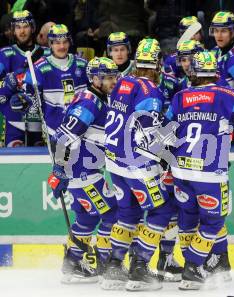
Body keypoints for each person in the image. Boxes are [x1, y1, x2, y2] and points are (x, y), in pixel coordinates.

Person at [165, 50, 234, 290]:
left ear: (194, 73)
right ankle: (193, 267)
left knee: (188, 219)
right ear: (216, 72)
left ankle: (213, 263)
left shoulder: (180, 96)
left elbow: (165, 133)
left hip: (180, 171)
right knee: (212, 222)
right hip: (210, 173)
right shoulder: (229, 95)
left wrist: (163, 160)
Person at [101, 38, 176, 291]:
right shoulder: (150, 91)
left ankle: (113, 267)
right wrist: (168, 155)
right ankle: (140, 268)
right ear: (157, 64)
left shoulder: (123, 81)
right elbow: (148, 134)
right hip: (137, 165)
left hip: (113, 161)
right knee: (161, 211)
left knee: (128, 214)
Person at [47, 57, 120, 283]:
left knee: (87, 217)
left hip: (86, 172)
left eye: (114, 76)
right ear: (95, 79)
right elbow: (63, 137)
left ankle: (72, 264)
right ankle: (107, 265)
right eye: (108, 77)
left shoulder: (97, 99)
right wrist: (59, 168)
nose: (113, 81)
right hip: (84, 174)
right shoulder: (90, 102)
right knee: (111, 214)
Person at [12, 24, 88, 147]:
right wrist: (21, 101)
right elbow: (29, 100)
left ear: (70, 42)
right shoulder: (39, 67)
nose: (62, 46)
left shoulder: (83, 65)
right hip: (54, 131)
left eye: (65, 42)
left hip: (82, 129)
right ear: (50, 44)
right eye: (57, 42)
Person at [0, 10, 50, 147]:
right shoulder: (5, 54)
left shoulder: (46, 53)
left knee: (43, 156)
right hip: (14, 119)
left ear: (33, 28)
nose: (22, 31)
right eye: (18, 27)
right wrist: (8, 84)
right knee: (14, 154)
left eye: (26, 26)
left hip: (41, 119)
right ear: (13, 30)